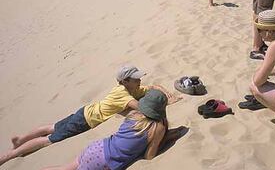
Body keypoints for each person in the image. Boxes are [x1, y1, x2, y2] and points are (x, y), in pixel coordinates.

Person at [0, 65, 180, 166]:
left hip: (85, 111)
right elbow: (142, 109)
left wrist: (168, 95)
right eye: (136, 79)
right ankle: (9, 156)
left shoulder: (130, 88)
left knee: (52, 127)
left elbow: (153, 86)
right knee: (50, 138)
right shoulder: (122, 94)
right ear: (125, 81)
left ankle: (21, 139)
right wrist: (161, 106)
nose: (140, 80)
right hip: (86, 120)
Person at [42, 90, 183, 170]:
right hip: (105, 161)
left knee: (64, 168)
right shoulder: (158, 127)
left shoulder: (133, 114)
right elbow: (149, 156)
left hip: (98, 147)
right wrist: (166, 139)